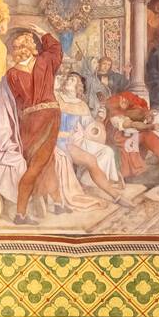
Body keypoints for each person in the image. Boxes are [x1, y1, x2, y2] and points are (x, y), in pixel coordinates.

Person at [3, 27, 63, 224]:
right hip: (43, 119)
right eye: (17, 46)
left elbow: (18, 102)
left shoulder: (19, 70)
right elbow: (56, 49)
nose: (20, 49)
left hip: (35, 120)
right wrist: (44, 33)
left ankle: (58, 201)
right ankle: (20, 213)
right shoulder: (39, 64)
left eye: (21, 45)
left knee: (47, 159)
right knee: (37, 165)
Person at [50, 72, 131, 212]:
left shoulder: (81, 105)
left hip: (68, 142)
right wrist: (54, 88)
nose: (69, 80)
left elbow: (90, 126)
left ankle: (115, 196)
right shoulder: (57, 97)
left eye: (73, 79)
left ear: (78, 86)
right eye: (69, 78)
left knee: (92, 160)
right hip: (53, 140)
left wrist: (100, 118)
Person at [105, 91, 159, 178]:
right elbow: (133, 124)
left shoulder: (127, 99)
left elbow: (137, 111)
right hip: (122, 137)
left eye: (123, 99)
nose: (124, 101)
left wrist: (146, 114)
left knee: (153, 139)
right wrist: (150, 126)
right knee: (131, 143)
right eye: (121, 102)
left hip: (136, 131)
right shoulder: (116, 118)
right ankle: (135, 172)